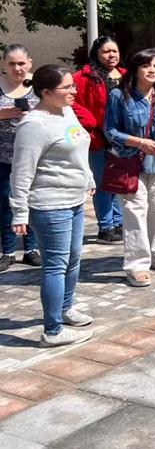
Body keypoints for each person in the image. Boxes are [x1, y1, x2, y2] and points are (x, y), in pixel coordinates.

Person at [9, 64, 94, 347]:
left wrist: (88, 178)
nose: (74, 90)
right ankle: (53, 330)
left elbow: (80, 146)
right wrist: (19, 211)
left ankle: (66, 308)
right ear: (46, 93)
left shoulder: (66, 112)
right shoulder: (34, 125)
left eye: (73, 85)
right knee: (55, 265)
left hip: (74, 200)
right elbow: (21, 172)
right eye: (67, 87)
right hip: (49, 204)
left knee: (73, 258)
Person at [104, 49, 155, 288]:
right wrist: (139, 142)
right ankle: (136, 265)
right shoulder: (119, 95)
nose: (152, 70)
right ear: (135, 68)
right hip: (130, 163)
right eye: (146, 66)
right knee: (134, 212)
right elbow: (110, 131)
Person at [72, 35, 125, 244]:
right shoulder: (84, 76)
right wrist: (91, 122)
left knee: (118, 182)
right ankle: (105, 227)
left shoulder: (126, 75)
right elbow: (71, 101)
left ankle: (119, 222)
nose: (111, 55)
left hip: (122, 138)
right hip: (97, 138)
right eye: (106, 51)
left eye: (114, 51)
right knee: (103, 183)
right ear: (96, 54)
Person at [0, 44, 40, 271]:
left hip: (32, 158)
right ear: (4, 64)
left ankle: (31, 249)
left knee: (31, 202)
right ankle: (7, 251)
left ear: (30, 63)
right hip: (3, 158)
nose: (17, 68)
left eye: (22, 63)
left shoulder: (38, 85)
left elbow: (55, 111)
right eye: (12, 63)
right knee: (6, 204)